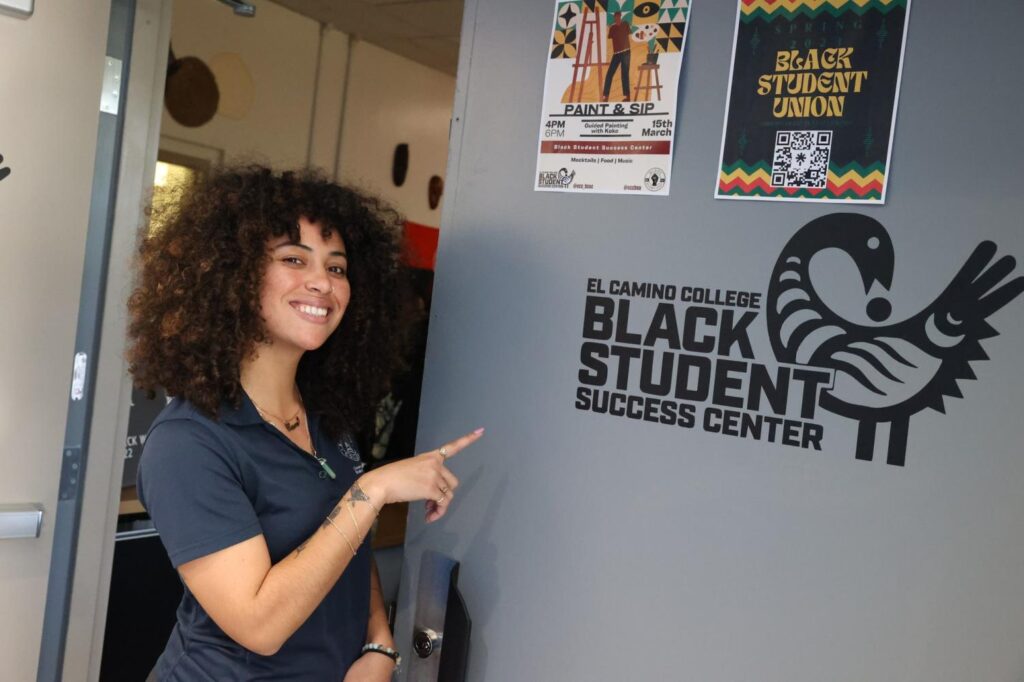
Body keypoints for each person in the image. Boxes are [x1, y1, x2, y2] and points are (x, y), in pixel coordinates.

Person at [128, 165, 483, 680]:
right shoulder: (188, 442)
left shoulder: (323, 417)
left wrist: (379, 643)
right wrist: (372, 491)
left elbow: (343, 543)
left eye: (337, 268)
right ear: (234, 274)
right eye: (294, 259)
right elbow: (259, 625)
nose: (322, 282)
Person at [601, 12, 633, 102]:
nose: (617, 18)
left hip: (626, 52)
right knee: (609, 74)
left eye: (618, 17)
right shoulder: (613, 28)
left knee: (624, 74)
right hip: (616, 54)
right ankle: (605, 96)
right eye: (615, 17)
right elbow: (609, 36)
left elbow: (629, 33)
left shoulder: (625, 24)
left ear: (620, 17)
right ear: (614, 18)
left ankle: (627, 96)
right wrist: (609, 26)